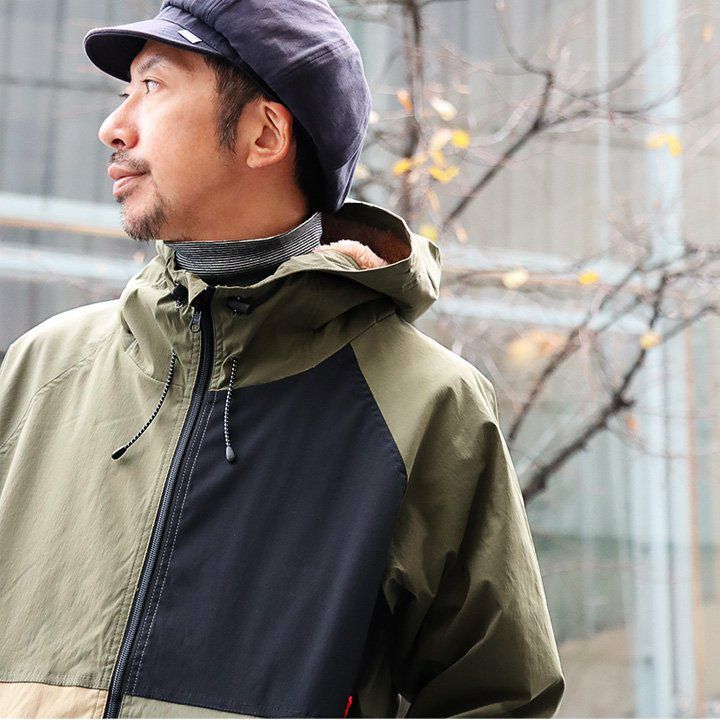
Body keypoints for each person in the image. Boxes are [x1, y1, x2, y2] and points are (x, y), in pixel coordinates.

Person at [0, 1, 565, 717]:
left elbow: (496, 699)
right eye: (125, 92)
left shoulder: (426, 404)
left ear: (265, 133)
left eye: (153, 86)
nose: (115, 126)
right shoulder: (42, 367)